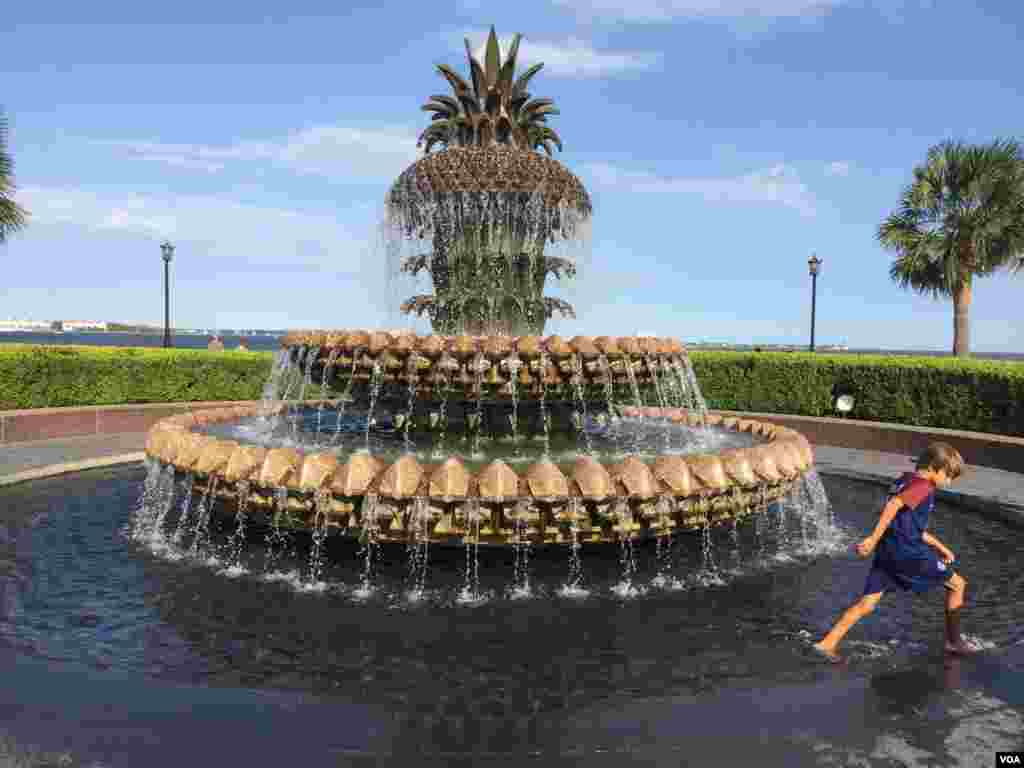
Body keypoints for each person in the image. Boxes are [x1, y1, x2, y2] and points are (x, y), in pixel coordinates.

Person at [814, 442, 974, 661]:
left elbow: (908, 524)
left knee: (866, 604)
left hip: (888, 552)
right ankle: (954, 642)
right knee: (958, 585)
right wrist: (872, 537)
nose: (949, 482)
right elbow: (893, 507)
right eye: (949, 476)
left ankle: (827, 643)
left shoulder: (904, 481)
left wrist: (940, 547)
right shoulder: (923, 486)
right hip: (908, 553)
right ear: (935, 468)